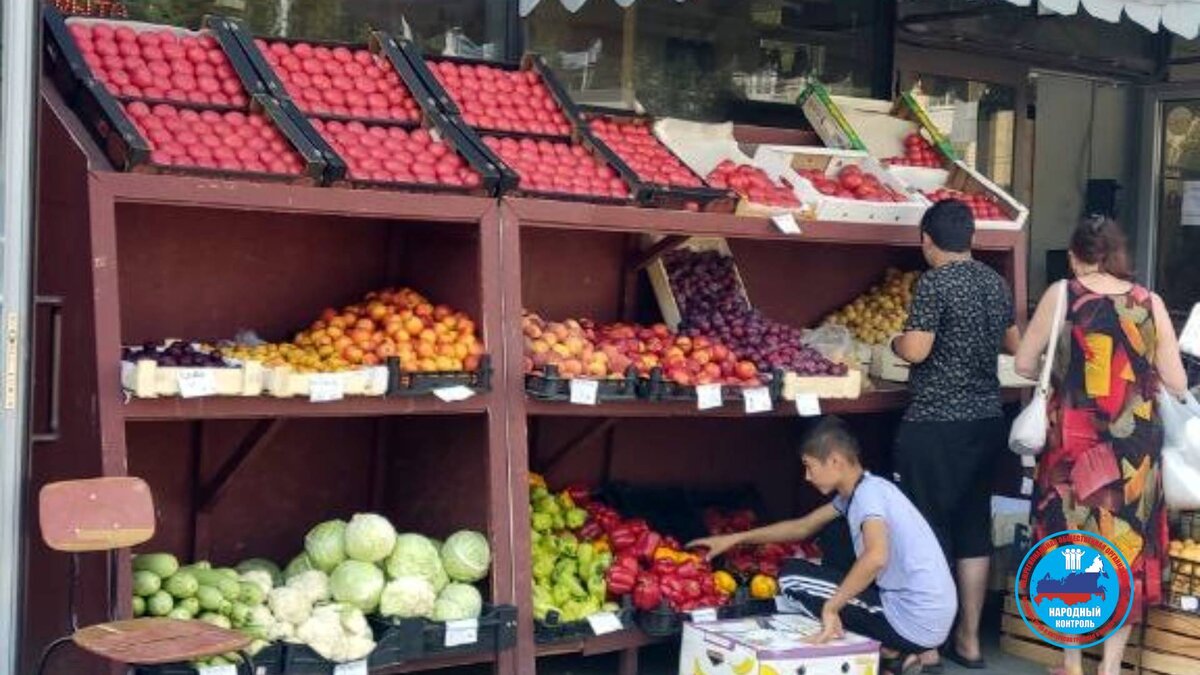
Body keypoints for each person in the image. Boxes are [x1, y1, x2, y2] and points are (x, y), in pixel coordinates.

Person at [1015, 215, 1187, 675]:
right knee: (1125, 550)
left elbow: (1025, 363)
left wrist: (1060, 375)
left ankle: (1072, 661)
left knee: (1071, 545)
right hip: (1134, 449)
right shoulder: (1149, 302)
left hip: (1073, 443)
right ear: (1118, 254)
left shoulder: (1062, 295)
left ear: (1076, 256)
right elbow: (1176, 380)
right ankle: (1109, 668)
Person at [689, 417, 956, 675]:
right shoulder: (867, 489)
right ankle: (892, 654)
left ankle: (885, 650)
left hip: (912, 621)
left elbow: (876, 557)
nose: (807, 476)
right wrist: (734, 539)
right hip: (928, 617)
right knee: (830, 546)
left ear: (835, 461)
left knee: (792, 577)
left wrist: (832, 607)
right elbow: (802, 527)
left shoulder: (867, 498)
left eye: (809, 466)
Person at [889, 198, 1020, 671]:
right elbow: (1015, 344)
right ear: (971, 238)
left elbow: (918, 350)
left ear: (927, 240)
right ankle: (968, 641)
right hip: (986, 421)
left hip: (936, 423)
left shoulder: (934, 282)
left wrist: (895, 343)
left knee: (925, 528)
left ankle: (927, 642)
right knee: (972, 528)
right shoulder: (995, 282)